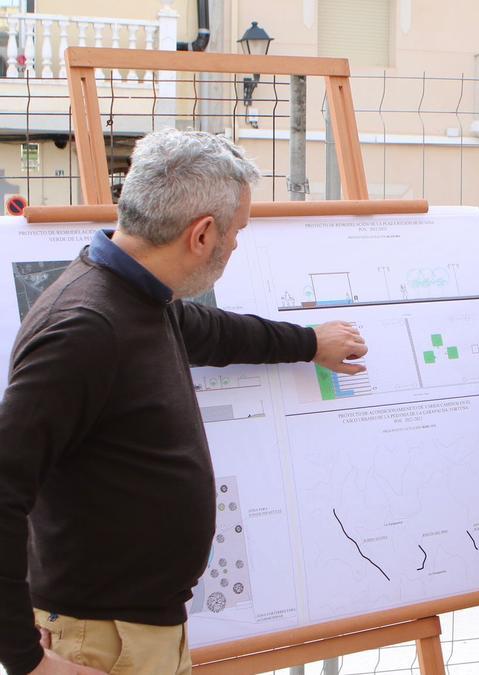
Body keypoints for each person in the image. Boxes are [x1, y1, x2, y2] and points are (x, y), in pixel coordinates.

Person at [0, 128, 368, 675]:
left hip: (136, 632)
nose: (237, 245)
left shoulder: (144, 298)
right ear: (201, 234)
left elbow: (216, 332)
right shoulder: (84, 327)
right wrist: (26, 661)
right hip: (100, 642)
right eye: (237, 231)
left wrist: (309, 342)